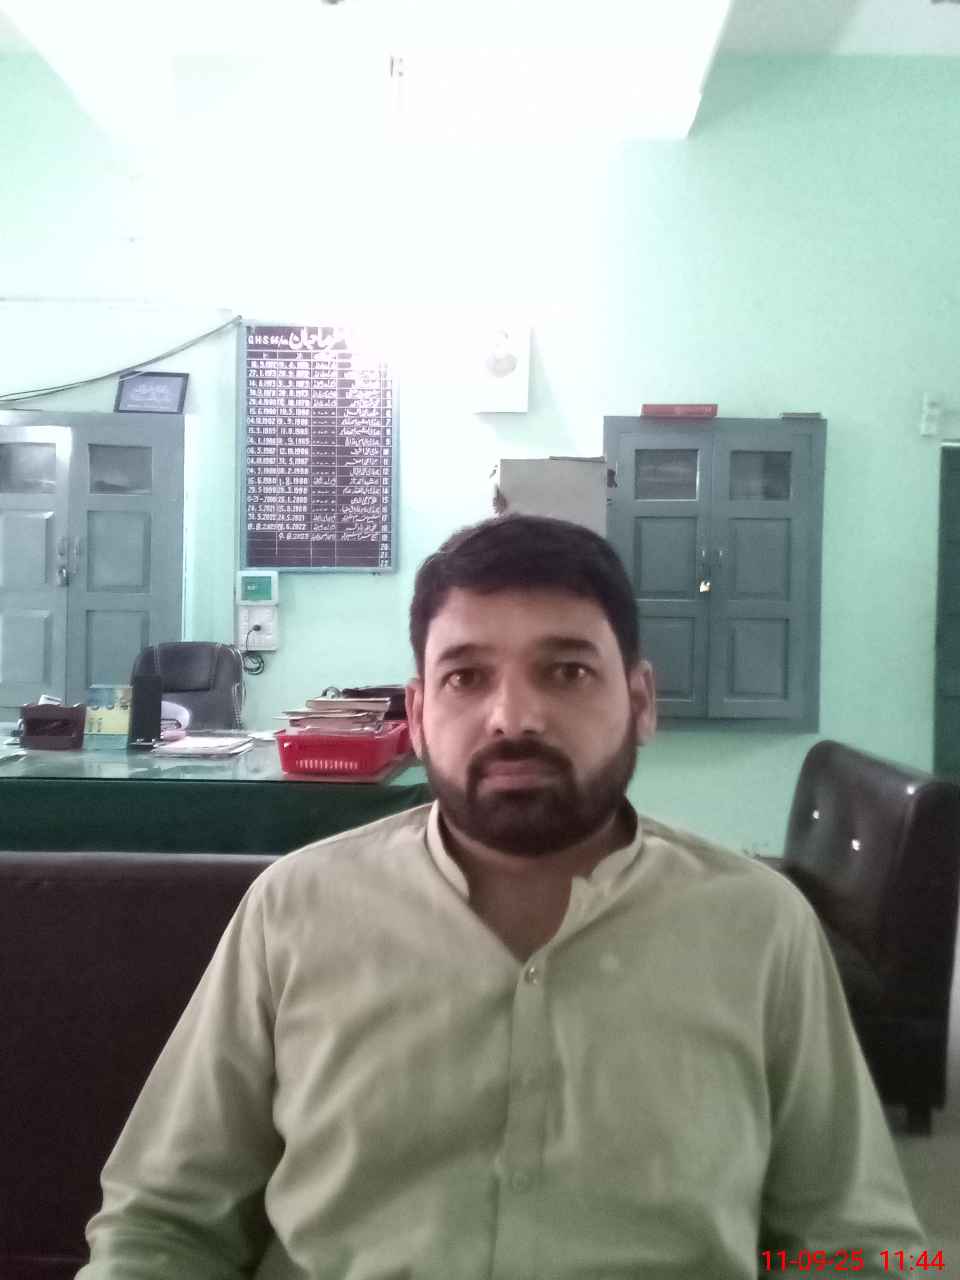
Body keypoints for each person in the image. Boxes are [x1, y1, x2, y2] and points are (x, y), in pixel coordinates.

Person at [78, 514, 926, 1279]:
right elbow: (162, 1225)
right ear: (416, 713)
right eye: (466, 677)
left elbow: (852, 1244)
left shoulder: (757, 926)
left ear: (640, 703)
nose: (513, 717)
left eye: (567, 671)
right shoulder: (293, 911)